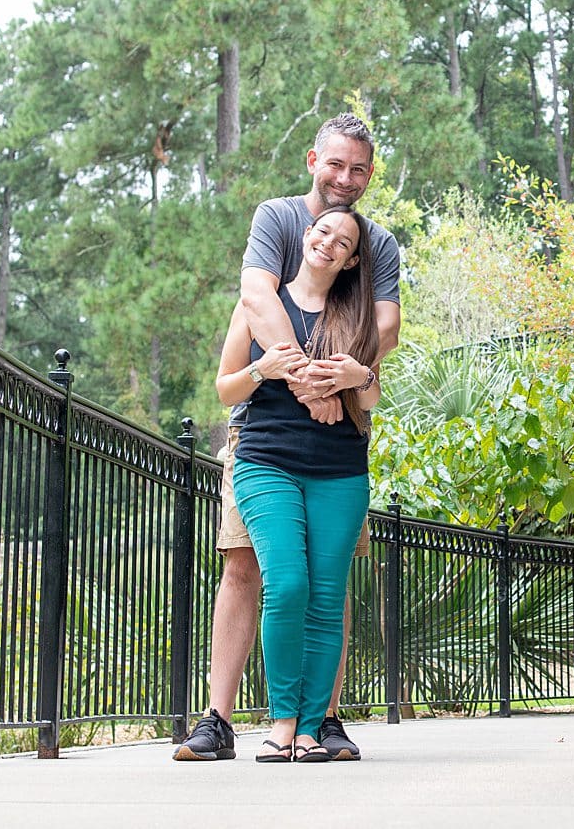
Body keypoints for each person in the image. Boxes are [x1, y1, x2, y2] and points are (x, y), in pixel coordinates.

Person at [174, 113, 400, 762]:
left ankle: (321, 722)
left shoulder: (377, 243)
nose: (345, 178)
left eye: (358, 168)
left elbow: (383, 327)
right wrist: (307, 379)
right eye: (336, 164)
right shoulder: (277, 218)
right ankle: (218, 718)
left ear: (369, 174)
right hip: (264, 435)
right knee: (248, 564)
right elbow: (255, 297)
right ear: (312, 160)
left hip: (338, 443)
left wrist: (341, 385)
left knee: (328, 580)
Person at [216, 205, 379, 761]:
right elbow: (225, 389)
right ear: (306, 235)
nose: (329, 243)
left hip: (340, 471)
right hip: (267, 462)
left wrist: (361, 377)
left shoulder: (356, 317)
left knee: (327, 599)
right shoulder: (261, 304)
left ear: (352, 258)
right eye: (323, 231)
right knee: (286, 585)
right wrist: (267, 368)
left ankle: (312, 729)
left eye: (343, 241)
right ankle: (282, 721)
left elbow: (372, 398)